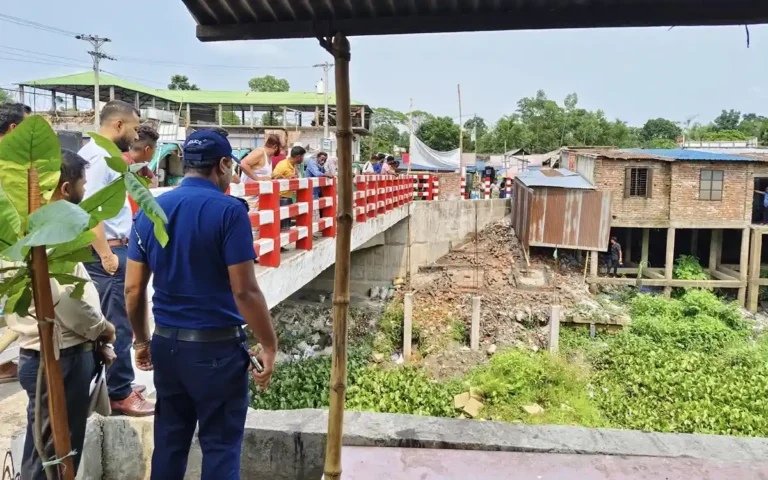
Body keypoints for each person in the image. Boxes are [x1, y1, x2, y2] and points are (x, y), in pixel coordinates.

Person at [125, 129, 277, 480]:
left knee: (169, 442)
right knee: (221, 448)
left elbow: (133, 289)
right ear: (223, 164)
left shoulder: (152, 208)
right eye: (232, 166)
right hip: (217, 351)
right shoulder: (229, 211)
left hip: (167, 347)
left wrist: (142, 341)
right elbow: (246, 292)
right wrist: (268, 344)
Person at [7, 149, 118, 480]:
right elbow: (65, 300)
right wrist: (103, 329)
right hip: (59, 357)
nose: (86, 192)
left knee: (44, 449)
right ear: (67, 188)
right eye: (83, 184)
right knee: (55, 454)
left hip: (45, 353)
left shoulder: (27, 228)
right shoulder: (48, 234)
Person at [78, 100, 154, 416]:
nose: (137, 135)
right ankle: (120, 392)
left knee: (116, 317)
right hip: (107, 249)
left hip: (113, 245)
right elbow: (90, 208)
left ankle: (117, 382)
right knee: (118, 321)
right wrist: (106, 253)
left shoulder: (101, 155)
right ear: (119, 125)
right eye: (135, 127)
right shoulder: (98, 159)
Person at [272, 146, 306, 230]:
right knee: (283, 225)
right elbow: (273, 177)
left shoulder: (293, 165)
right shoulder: (283, 165)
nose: (303, 159)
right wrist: (287, 179)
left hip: (288, 196)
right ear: (298, 157)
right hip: (281, 198)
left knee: (286, 224)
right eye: (302, 157)